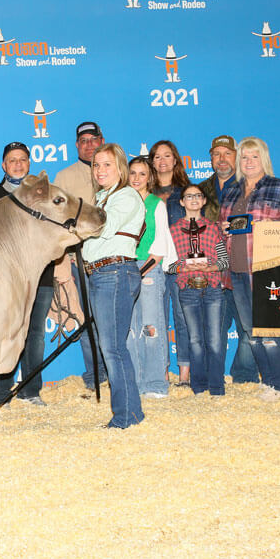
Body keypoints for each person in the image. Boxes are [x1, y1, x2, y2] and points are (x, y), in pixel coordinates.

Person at [220, 137, 280, 401]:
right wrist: (224, 228)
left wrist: (270, 226)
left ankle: (279, 385)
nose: (248, 162)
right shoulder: (232, 192)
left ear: (264, 159)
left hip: (268, 269)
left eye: (254, 157)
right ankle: (267, 381)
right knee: (252, 331)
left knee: (270, 329)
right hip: (236, 268)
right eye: (244, 157)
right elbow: (224, 227)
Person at [0, 141, 52, 406]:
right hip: (3, 284)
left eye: (22, 159)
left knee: (36, 334)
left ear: (29, 163)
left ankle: (31, 390)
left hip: (41, 278)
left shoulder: (46, 195)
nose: (18, 164)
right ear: (3, 165)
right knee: (4, 335)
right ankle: (0, 393)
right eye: (12, 160)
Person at [81, 143, 145, 428]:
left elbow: (103, 227)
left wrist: (76, 220)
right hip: (101, 273)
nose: (100, 170)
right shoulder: (102, 197)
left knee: (113, 349)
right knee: (113, 347)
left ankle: (125, 416)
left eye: (107, 164)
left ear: (120, 168)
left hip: (115, 271)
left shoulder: (126, 195)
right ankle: (131, 412)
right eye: (96, 165)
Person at [200, 135, 259, 385]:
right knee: (213, 328)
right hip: (212, 270)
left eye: (227, 153)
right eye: (217, 154)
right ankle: (211, 377)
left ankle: (244, 375)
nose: (222, 159)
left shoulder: (251, 186)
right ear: (211, 158)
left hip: (245, 266)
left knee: (250, 327)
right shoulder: (199, 190)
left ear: (236, 156)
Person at [54, 122, 108, 390]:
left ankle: (117, 373)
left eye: (93, 139)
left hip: (111, 259)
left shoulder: (116, 171)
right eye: (83, 141)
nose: (88, 145)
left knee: (112, 318)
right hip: (79, 259)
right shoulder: (64, 177)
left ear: (102, 140)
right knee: (85, 319)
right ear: (76, 145)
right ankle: (96, 377)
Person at [167, 184, 230, 396]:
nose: (194, 199)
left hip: (212, 287)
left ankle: (216, 386)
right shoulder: (173, 231)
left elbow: (223, 261)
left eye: (198, 196)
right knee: (194, 338)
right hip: (187, 288)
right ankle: (199, 385)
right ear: (182, 202)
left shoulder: (213, 228)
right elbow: (168, 264)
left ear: (204, 201)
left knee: (214, 338)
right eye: (188, 196)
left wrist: (209, 267)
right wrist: (184, 267)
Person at [125, 156, 176, 398]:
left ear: (150, 177)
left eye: (142, 174)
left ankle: (155, 383)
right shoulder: (120, 202)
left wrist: (140, 271)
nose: (136, 178)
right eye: (132, 173)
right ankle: (134, 383)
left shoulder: (157, 204)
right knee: (129, 330)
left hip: (148, 269)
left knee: (151, 327)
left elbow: (160, 247)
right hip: (123, 269)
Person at [149, 139, 191, 386]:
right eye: (157, 156)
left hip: (180, 265)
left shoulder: (188, 192)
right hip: (153, 264)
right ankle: (161, 372)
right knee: (157, 319)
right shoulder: (143, 193)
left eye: (167, 156)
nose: (162, 161)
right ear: (152, 162)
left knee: (183, 318)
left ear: (175, 160)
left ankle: (184, 374)